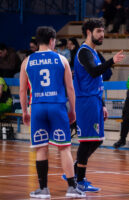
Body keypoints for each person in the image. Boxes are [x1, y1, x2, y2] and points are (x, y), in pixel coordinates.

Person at [19, 26, 85, 198]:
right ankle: (72, 187)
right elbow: (70, 88)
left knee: (41, 148)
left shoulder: (27, 61)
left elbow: (22, 91)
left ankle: (43, 190)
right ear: (51, 41)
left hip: (38, 107)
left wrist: (25, 111)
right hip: (57, 106)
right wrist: (73, 111)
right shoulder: (61, 60)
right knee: (64, 148)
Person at [71, 18, 125, 192]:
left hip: (94, 100)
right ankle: (79, 180)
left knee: (97, 139)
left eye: (103, 31)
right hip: (85, 102)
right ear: (88, 32)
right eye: (98, 31)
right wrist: (112, 61)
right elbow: (94, 72)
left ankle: (74, 171)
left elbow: (96, 81)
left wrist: (101, 104)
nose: (102, 34)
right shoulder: (84, 52)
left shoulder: (93, 52)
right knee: (87, 142)